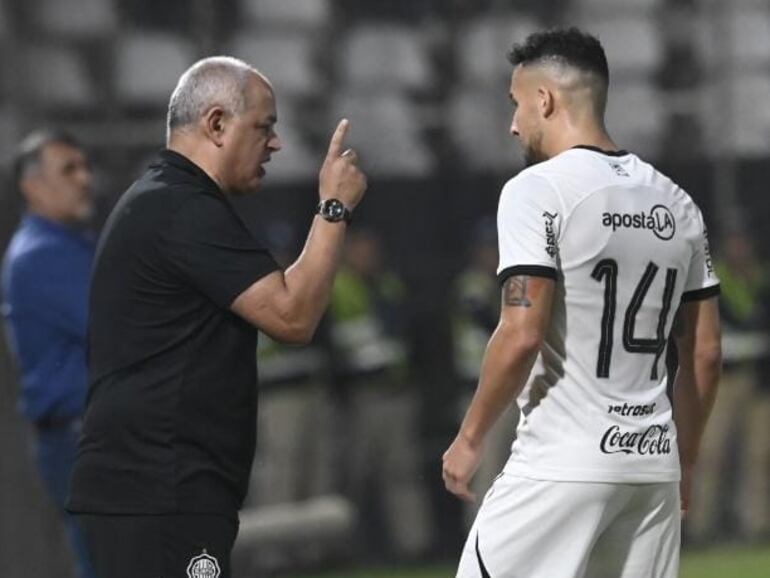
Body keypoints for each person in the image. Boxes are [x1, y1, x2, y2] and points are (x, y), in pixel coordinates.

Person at [66, 56, 367, 578]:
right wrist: (333, 209)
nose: (274, 144)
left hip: (156, 486)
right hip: (160, 487)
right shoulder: (181, 209)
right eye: (264, 128)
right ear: (216, 123)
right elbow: (292, 316)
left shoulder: (167, 201)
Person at [442, 28, 722, 578]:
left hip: (561, 463)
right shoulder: (677, 202)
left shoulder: (536, 189)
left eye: (516, 105)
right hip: (650, 470)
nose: (513, 124)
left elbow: (522, 332)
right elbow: (706, 352)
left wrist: (469, 437)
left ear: (544, 99)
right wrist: (683, 459)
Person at [1, 130, 97, 578]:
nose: (84, 179)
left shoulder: (69, 243)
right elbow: (116, 328)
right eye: (68, 169)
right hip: (78, 438)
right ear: (32, 186)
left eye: (84, 167)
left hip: (83, 434)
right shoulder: (39, 254)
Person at [327, 228, 432, 561]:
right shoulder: (337, 286)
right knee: (353, 475)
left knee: (402, 471)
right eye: (361, 250)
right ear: (346, 252)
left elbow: (407, 331)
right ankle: (343, 549)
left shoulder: (388, 284)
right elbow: (335, 340)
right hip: (359, 394)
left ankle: (413, 547)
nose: (368, 257)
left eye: (372, 250)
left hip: (395, 390)